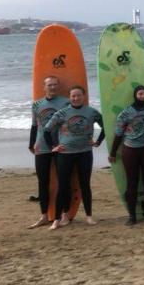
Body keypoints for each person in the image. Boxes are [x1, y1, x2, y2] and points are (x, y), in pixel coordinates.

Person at [42, 85, 103, 229]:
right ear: (70, 97)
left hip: (85, 153)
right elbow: (46, 130)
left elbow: (105, 126)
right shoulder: (62, 113)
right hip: (65, 154)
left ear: (83, 96)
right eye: (73, 96)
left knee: (85, 185)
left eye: (78, 95)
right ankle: (58, 218)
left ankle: (89, 216)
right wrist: (53, 146)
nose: (76, 98)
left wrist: (98, 142)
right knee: (63, 186)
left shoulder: (91, 112)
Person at [109, 85, 144, 225]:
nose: (143, 96)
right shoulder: (125, 113)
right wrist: (112, 152)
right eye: (140, 94)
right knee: (132, 182)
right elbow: (118, 134)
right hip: (130, 150)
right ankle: (132, 216)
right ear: (135, 95)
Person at [27, 75, 70, 228]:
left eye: (54, 85)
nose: (52, 87)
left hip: (61, 146)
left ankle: (65, 214)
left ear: (58, 86)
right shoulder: (37, 104)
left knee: (63, 181)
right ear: (43, 87)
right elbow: (34, 125)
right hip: (42, 146)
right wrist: (31, 144)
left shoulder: (66, 102)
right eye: (49, 85)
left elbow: (70, 124)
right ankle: (44, 215)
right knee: (42, 182)